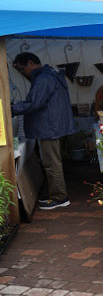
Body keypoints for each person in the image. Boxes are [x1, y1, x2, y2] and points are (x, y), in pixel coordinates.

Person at [11, 52, 76, 210]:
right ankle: (55, 193)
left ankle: (60, 197)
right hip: (51, 125)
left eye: (22, 69)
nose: (23, 73)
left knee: (51, 163)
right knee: (51, 161)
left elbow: (35, 102)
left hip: (48, 126)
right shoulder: (49, 74)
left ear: (30, 63)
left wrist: (11, 108)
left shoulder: (43, 78)